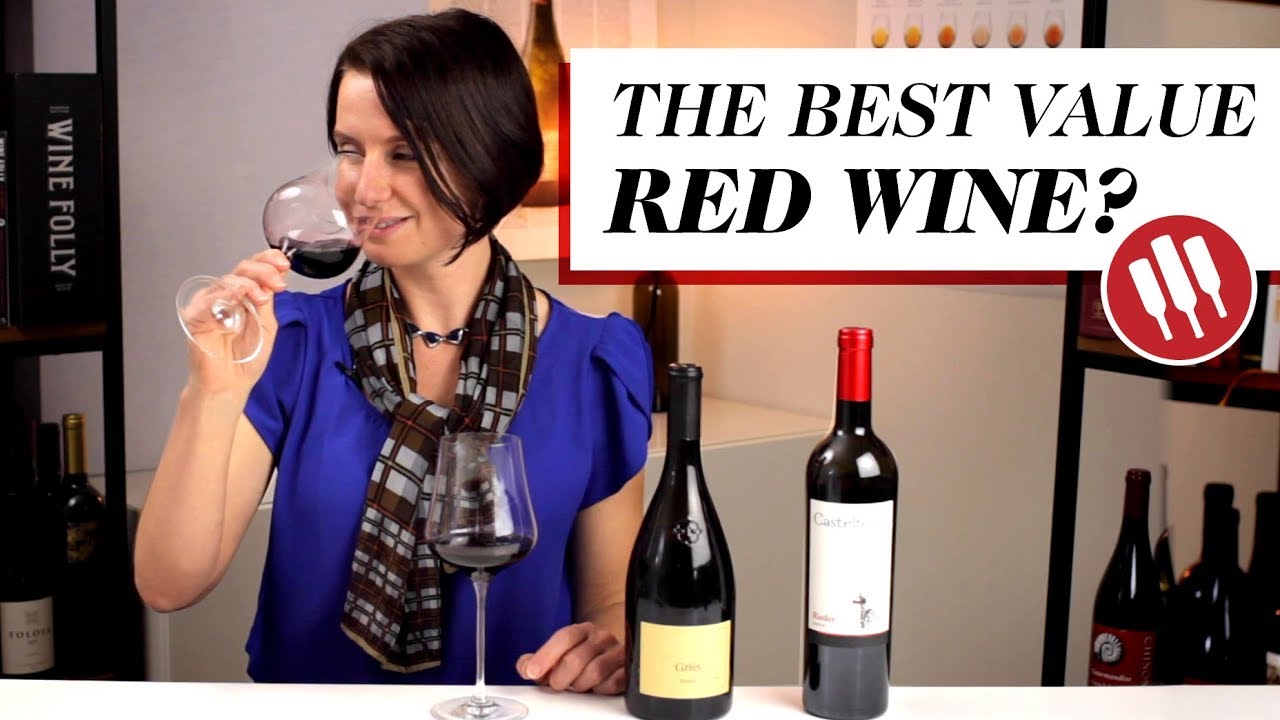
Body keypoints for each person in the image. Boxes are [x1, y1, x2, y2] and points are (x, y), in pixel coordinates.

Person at [134, 10, 653, 693]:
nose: (364, 188)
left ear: (488, 156)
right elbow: (169, 585)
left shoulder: (595, 362)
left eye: (403, 154)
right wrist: (212, 391)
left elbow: (610, 601)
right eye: (350, 149)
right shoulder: (291, 342)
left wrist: (608, 646)